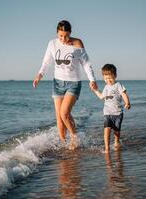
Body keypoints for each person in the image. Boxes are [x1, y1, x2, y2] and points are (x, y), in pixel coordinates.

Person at [33, 20, 97, 150]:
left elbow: (86, 63)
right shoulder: (52, 44)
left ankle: (75, 137)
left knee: (64, 113)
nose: (63, 39)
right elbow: (46, 62)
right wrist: (40, 75)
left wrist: (92, 80)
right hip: (57, 83)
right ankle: (63, 144)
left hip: (73, 83)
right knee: (59, 117)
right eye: (60, 35)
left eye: (66, 35)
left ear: (70, 33)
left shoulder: (77, 43)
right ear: (57, 33)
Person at [92, 64, 131, 153]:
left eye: (110, 78)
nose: (108, 80)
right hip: (107, 113)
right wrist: (95, 90)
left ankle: (116, 141)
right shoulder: (106, 87)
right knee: (107, 129)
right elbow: (102, 97)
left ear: (115, 76)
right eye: (105, 79)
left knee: (117, 131)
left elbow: (124, 94)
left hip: (117, 113)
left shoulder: (118, 85)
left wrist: (127, 103)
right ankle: (107, 148)